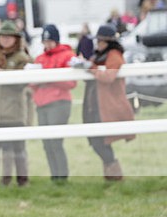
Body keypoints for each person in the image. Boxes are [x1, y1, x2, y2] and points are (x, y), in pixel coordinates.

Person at [81, 24, 135, 180]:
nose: (97, 44)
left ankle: (114, 174)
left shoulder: (114, 55)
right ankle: (111, 175)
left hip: (106, 106)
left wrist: (89, 67)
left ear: (107, 42)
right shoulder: (99, 56)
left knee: (99, 142)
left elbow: (108, 77)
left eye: (99, 41)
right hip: (96, 105)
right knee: (97, 141)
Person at [0, 20, 33, 186]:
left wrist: (1, 73)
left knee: (18, 148)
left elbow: (22, 83)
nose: (5, 40)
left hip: (14, 111)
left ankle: (23, 180)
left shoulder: (22, 58)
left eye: (8, 37)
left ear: (15, 38)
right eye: (2, 36)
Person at [30, 24, 76, 183]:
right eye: (45, 41)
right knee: (47, 143)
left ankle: (62, 175)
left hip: (59, 103)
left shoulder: (67, 55)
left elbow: (71, 82)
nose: (47, 44)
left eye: (50, 41)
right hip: (42, 104)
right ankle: (54, 175)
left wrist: (48, 78)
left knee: (56, 142)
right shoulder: (39, 59)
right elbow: (32, 84)